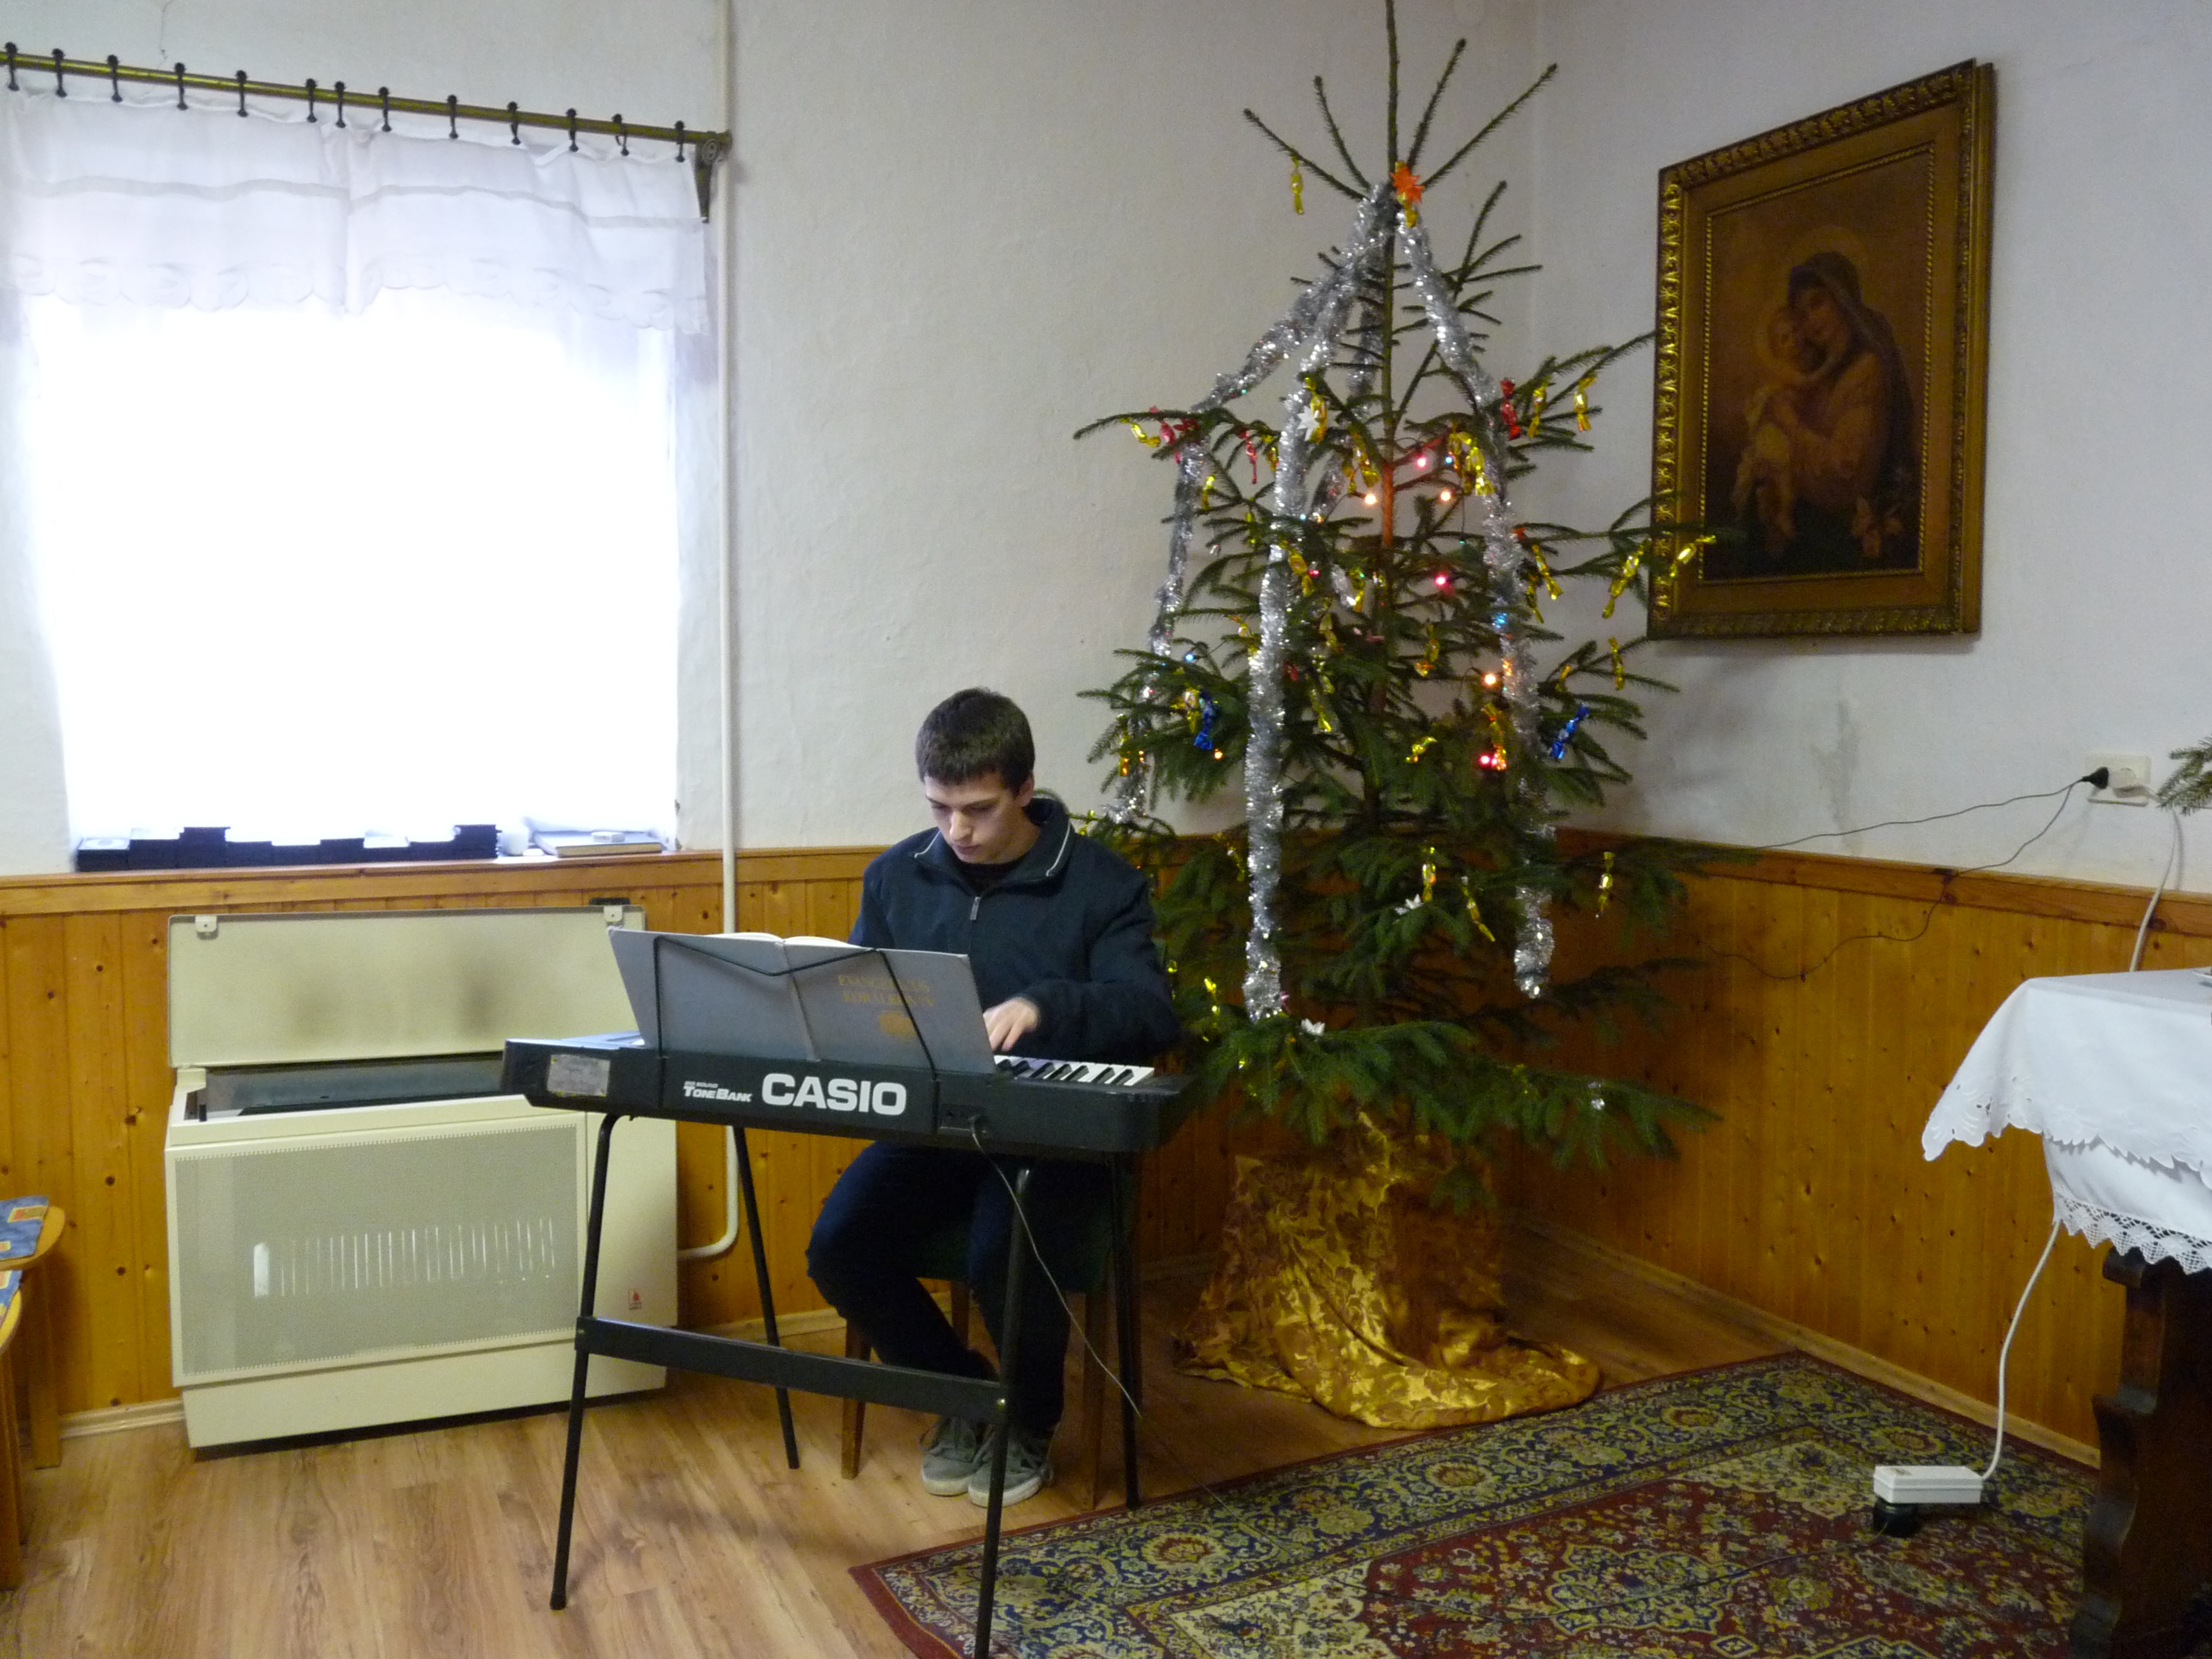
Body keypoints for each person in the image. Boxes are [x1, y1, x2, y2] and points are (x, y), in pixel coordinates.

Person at [805, 688, 1181, 1508]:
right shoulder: (896, 876)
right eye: (939, 809)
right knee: (840, 1245)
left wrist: (1045, 1006)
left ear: (1025, 789)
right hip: (934, 1128)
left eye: (979, 809)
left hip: (1051, 1134)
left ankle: (1028, 1418)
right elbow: (861, 996)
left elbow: (1150, 1011)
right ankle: (965, 1394)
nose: (958, 831)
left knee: (1001, 1254)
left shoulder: (1102, 884)